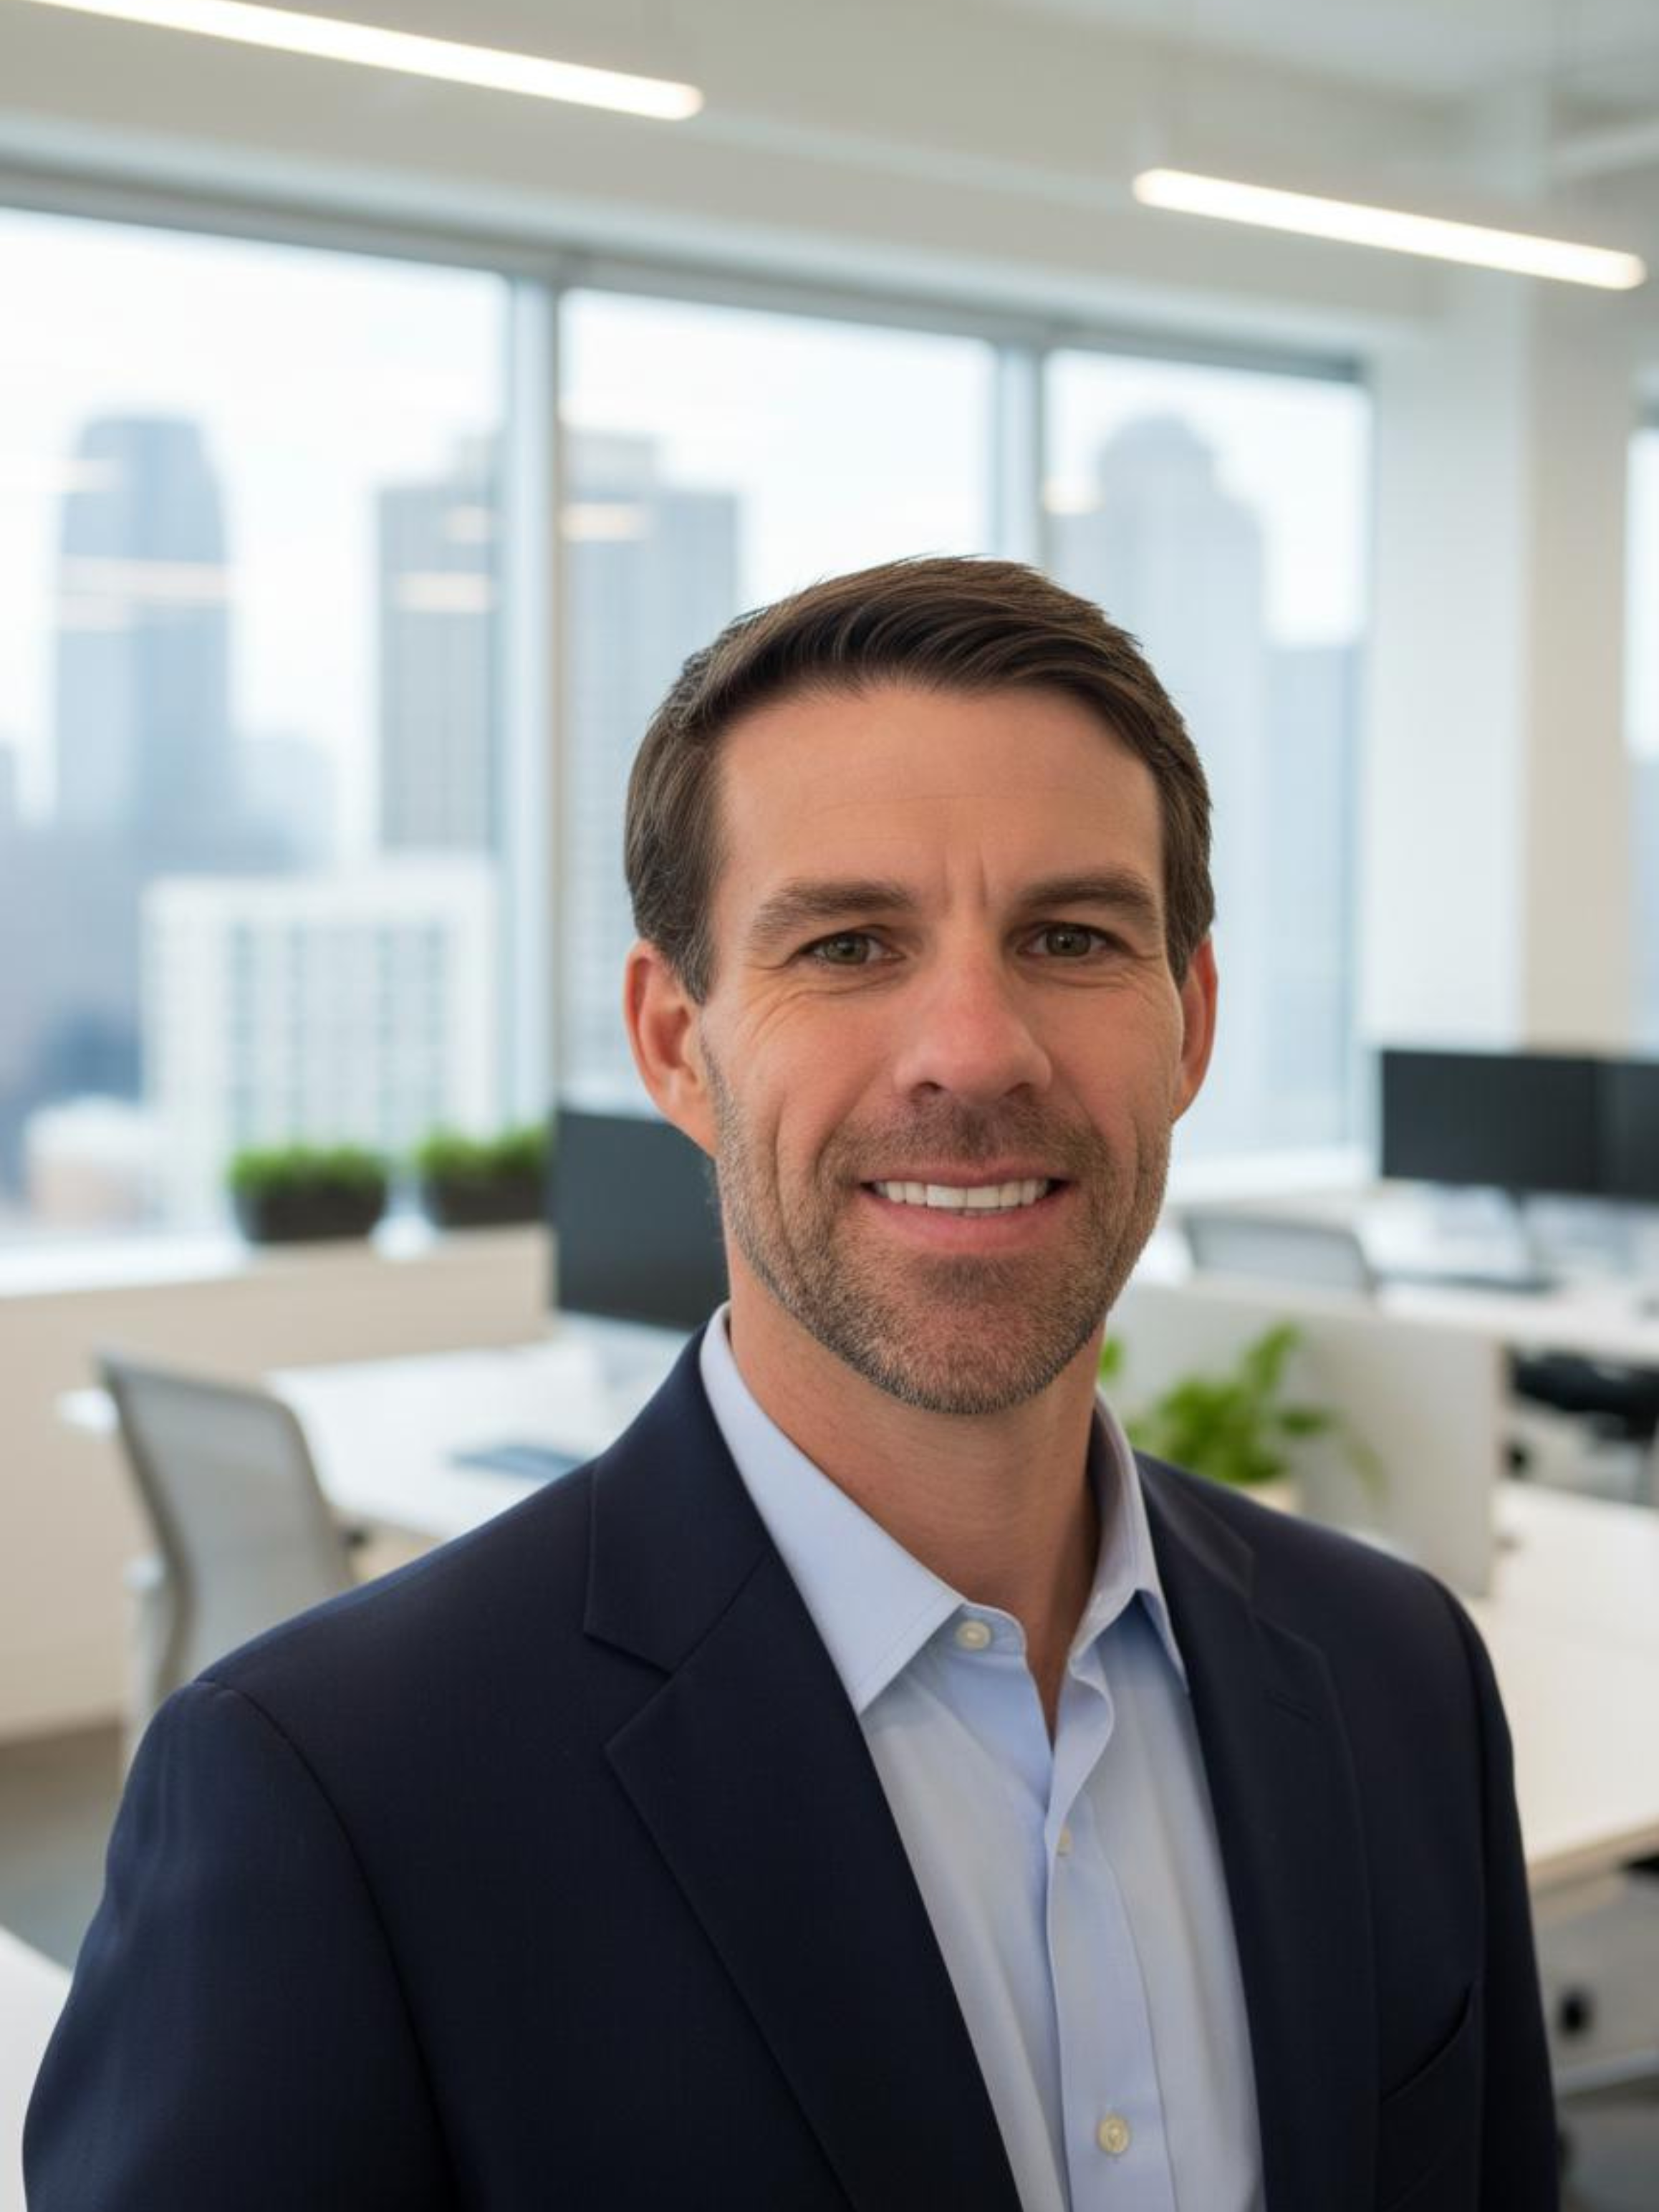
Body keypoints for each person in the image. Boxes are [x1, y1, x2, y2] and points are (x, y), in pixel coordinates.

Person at [27, 557, 1557, 2211]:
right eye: (847, 943)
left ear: (1188, 1024)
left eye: (1070, 935)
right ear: (674, 1041)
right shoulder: (329, 1795)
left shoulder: (1399, 1676)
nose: (974, 1048)